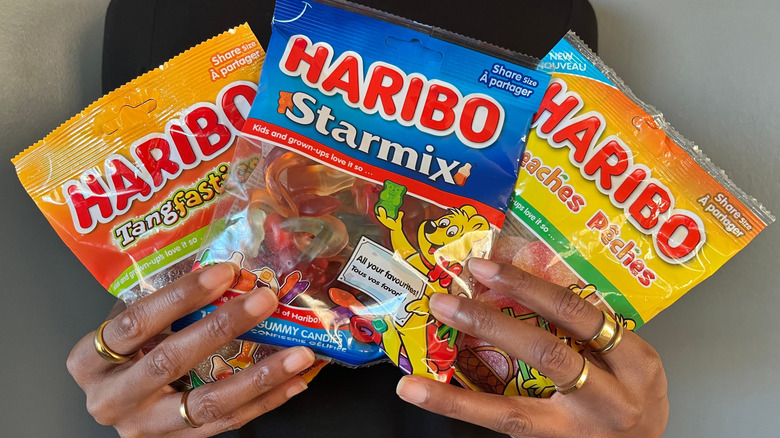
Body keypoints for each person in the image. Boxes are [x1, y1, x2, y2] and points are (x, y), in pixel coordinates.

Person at [68, 0, 669, 436]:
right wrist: (135, 392)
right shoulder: (164, 14)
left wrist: (622, 423)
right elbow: (157, 308)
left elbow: (559, 356)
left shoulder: (542, 16)